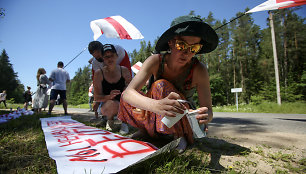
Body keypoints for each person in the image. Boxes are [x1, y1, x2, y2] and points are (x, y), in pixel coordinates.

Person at [118, 15, 218, 152]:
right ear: (171, 42)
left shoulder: (199, 69)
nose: (186, 53)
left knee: (161, 86)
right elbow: (128, 93)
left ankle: (178, 135)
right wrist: (157, 105)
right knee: (149, 90)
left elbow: (209, 110)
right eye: (181, 45)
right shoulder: (155, 61)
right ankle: (147, 130)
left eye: (194, 48)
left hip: (182, 115)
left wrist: (205, 116)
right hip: (155, 110)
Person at [88, 41, 132, 121]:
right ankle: (107, 116)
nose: (107, 59)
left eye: (111, 56)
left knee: (130, 95)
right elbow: (96, 84)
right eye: (99, 59)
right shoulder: (95, 64)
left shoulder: (120, 50)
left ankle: (124, 114)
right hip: (107, 88)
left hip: (121, 82)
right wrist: (97, 100)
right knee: (109, 105)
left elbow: (128, 76)